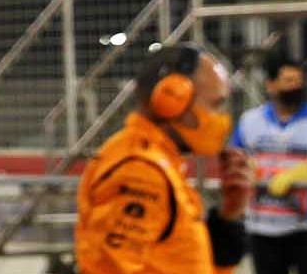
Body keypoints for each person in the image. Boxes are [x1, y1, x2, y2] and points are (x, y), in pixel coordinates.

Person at [75, 45, 255, 274]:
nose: (221, 118)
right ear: (172, 97)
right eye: (215, 104)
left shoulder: (160, 162)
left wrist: (230, 214)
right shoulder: (140, 171)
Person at [228, 52, 307, 274]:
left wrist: (306, 178)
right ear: (271, 85)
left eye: (299, 81)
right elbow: (232, 159)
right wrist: (246, 171)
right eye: (288, 81)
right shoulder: (250, 121)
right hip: (262, 227)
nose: (296, 87)